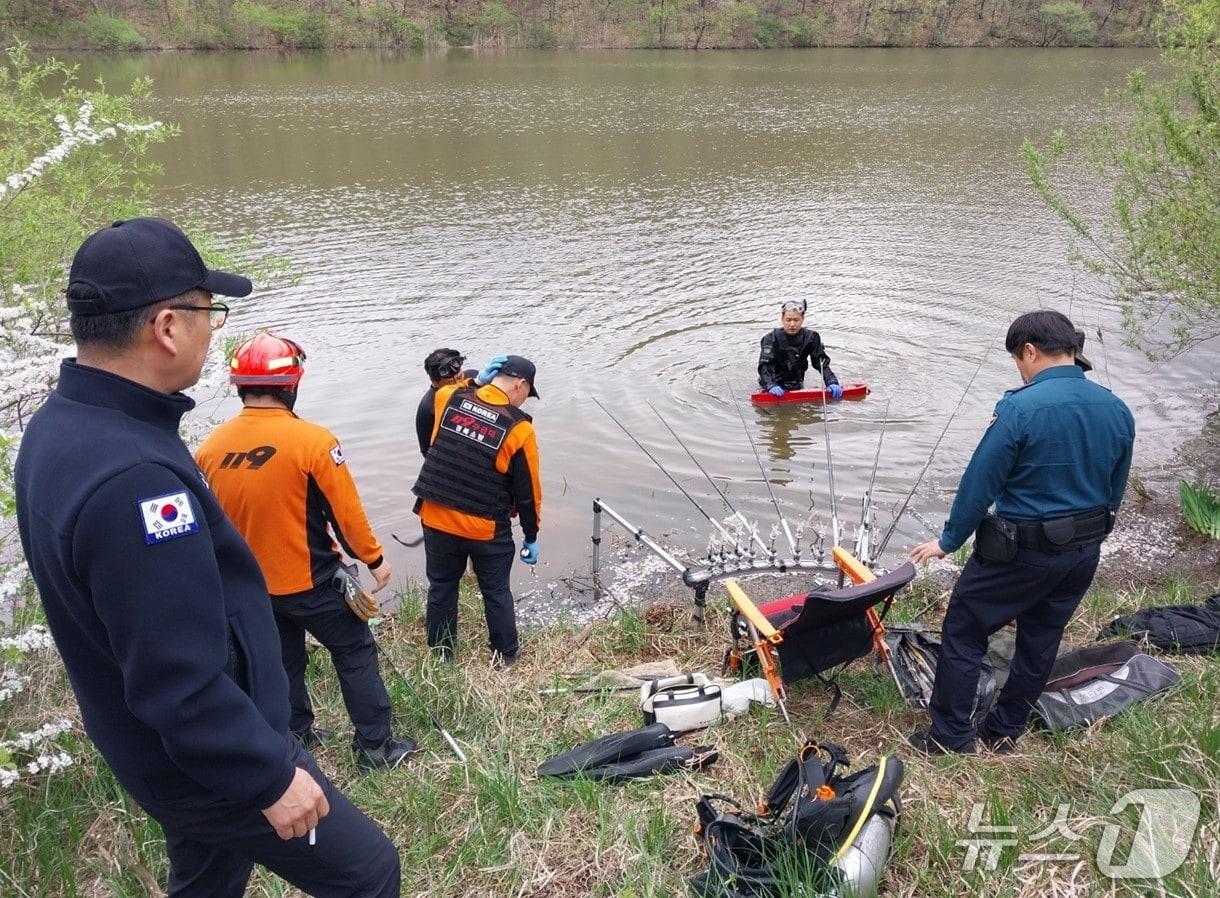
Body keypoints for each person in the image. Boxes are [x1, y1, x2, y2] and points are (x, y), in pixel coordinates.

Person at [15, 218, 399, 896]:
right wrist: (268, 775)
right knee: (368, 872)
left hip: (161, 751)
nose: (212, 329)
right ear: (166, 326)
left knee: (207, 880)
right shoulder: (136, 479)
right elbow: (176, 679)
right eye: (207, 312)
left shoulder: (59, 427)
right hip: (206, 759)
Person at [907, 310, 1134, 756]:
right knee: (1042, 637)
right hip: (1083, 551)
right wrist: (1090, 537)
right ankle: (1005, 730)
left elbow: (980, 483)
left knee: (964, 629)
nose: (1021, 370)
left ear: (1030, 351)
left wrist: (949, 540)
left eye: (1018, 359)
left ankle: (950, 737)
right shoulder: (1117, 408)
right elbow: (1116, 488)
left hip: (1019, 551)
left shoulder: (1019, 407)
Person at [196, 332, 417, 771]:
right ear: (292, 384)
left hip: (251, 588)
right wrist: (374, 559)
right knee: (354, 652)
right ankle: (375, 747)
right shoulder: (313, 442)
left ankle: (296, 734)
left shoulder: (209, 448)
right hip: (312, 581)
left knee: (282, 662)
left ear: (240, 385)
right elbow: (346, 515)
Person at [412, 354, 542, 666]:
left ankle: (442, 654)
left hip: (436, 519)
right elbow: (528, 493)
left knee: (442, 587)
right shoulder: (520, 429)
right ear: (520, 385)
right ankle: (506, 656)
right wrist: (531, 535)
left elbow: (438, 396)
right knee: (496, 592)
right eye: (528, 394)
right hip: (484, 528)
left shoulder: (448, 397)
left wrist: (473, 382)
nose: (525, 401)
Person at [757, 299, 843, 399]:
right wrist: (770, 385)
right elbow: (764, 366)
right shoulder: (771, 338)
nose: (792, 324)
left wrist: (831, 381)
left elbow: (821, 363)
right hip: (772, 386)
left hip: (797, 384)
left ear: (802, 319)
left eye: (796, 320)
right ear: (782, 319)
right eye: (788, 320)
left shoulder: (811, 337)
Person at [416, 347, 477, 457]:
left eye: (460, 378)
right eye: (450, 383)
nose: (458, 384)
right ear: (435, 382)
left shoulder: (474, 378)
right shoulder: (428, 408)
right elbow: (426, 449)